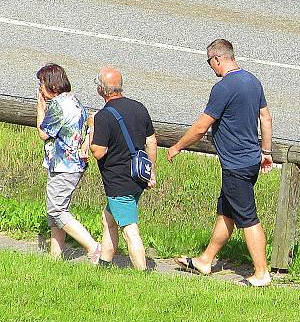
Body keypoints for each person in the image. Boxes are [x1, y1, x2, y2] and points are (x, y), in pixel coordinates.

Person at [169, 39, 274, 287]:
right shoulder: (252, 81)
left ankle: (262, 273)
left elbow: (201, 127)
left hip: (236, 163)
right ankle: (206, 260)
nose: (211, 68)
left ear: (217, 58)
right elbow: (266, 118)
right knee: (226, 212)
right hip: (249, 159)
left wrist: (177, 146)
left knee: (248, 218)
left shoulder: (224, 88)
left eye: (210, 63)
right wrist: (266, 151)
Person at [88, 67, 157, 271]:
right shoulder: (139, 107)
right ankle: (104, 264)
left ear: (101, 90)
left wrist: (92, 127)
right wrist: (151, 172)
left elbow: (98, 152)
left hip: (119, 181)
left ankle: (142, 274)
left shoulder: (103, 117)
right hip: (137, 177)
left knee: (129, 228)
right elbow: (151, 141)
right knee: (108, 218)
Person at [35, 63, 102, 264]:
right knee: (55, 209)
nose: (39, 89)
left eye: (41, 84)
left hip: (64, 164)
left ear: (52, 85)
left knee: (56, 210)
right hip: (74, 163)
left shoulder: (57, 105)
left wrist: (40, 109)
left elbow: (43, 132)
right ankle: (56, 254)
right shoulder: (74, 100)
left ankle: (92, 247)